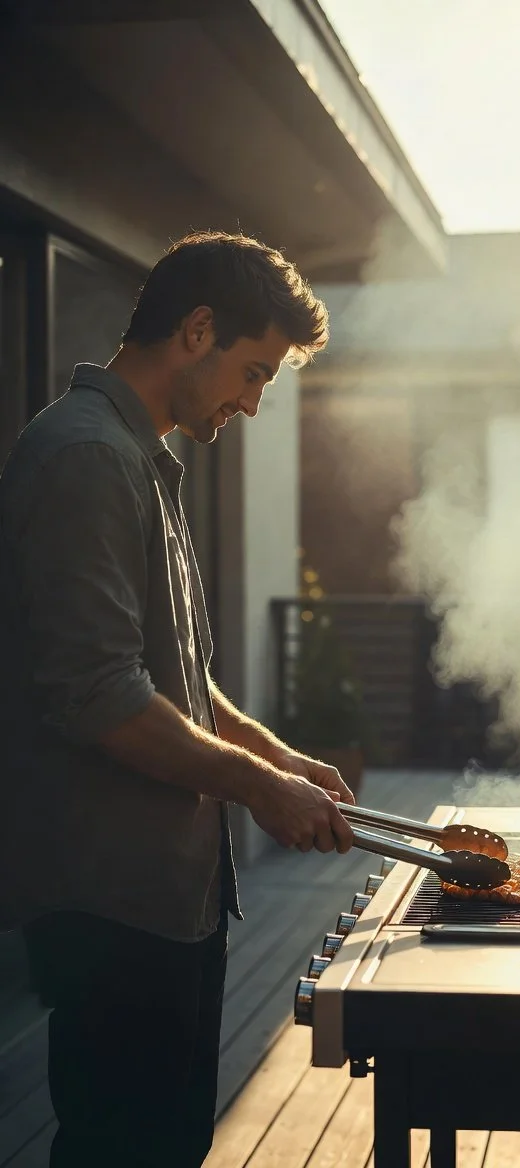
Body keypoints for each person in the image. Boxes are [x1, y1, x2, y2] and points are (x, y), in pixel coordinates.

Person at [0, 230, 356, 1168]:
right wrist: (260, 791)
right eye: (254, 372)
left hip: (168, 898)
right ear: (196, 330)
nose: (253, 401)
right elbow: (102, 697)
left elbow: (179, 679)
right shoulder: (85, 457)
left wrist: (277, 758)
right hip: (111, 899)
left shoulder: (138, 455)